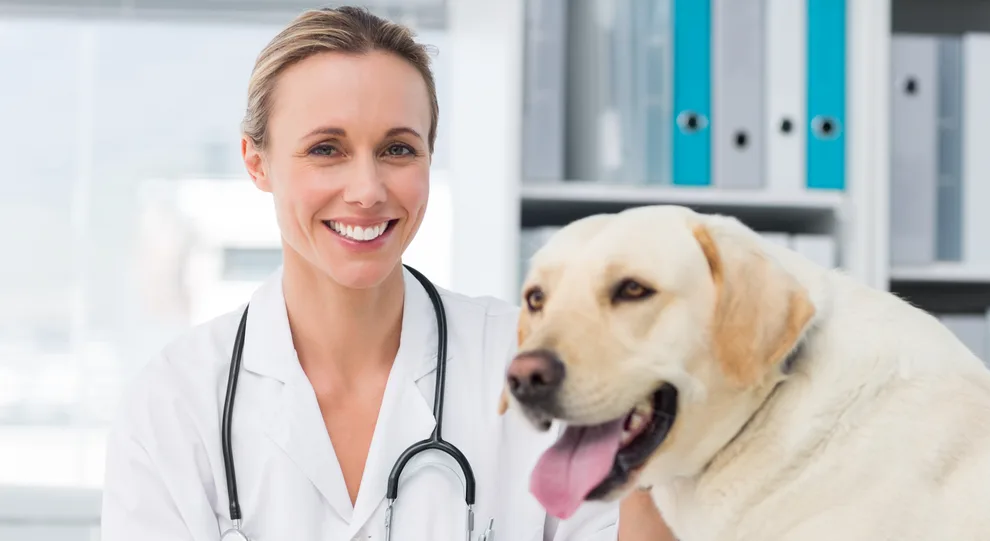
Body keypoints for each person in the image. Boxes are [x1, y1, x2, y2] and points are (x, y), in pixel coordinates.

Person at [98, 5, 676, 540]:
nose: (368, 191)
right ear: (257, 162)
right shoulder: (174, 405)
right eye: (326, 149)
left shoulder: (530, 369)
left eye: (398, 150)